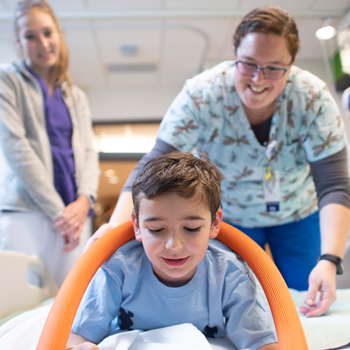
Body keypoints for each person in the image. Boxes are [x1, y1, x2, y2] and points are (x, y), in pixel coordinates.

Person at [85, 5, 350, 317]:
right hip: (229, 217)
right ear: (234, 53)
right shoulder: (202, 94)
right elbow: (154, 161)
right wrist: (114, 226)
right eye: (248, 64)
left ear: (291, 65)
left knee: (306, 302)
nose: (258, 79)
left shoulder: (313, 98)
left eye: (274, 68)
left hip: (297, 214)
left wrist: (330, 260)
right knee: (234, 304)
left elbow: (333, 183)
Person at [66, 152, 278, 350]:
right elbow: (76, 337)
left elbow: (262, 344)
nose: (174, 245)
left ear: (215, 223)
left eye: (191, 229)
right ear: (137, 226)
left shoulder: (231, 273)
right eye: (156, 230)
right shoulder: (117, 268)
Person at [0, 0, 99, 287]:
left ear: (59, 33)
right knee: (16, 308)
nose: (42, 43)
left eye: (47, 32)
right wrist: (60, 213)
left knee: (70, 304)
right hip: (27, 213)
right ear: (18, 40)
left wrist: (85, 200)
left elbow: (89, 152)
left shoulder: (75, 95)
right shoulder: (8, 81)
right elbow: (15, 146)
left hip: (73, 216)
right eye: (31, 36)